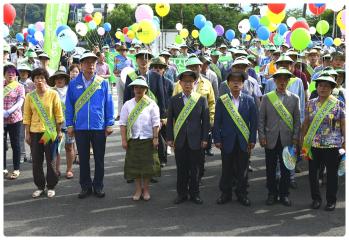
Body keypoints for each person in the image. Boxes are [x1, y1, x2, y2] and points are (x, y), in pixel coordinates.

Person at [65, 52, 115, 199]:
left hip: (98, 126)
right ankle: (85, 186)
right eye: (87, 62)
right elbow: (69, 106)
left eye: (93, 62)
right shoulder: (73, 83)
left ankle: (98, 186)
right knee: (84, 159)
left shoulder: (102, 82)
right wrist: (69, 124)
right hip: (80, 127)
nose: (90, 65)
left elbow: (109, 104)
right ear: (81, 65)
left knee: (99, 158)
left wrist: (109, 123)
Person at [300, 75, 345, 211]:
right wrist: (302, 141)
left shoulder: (338, 104)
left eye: (326, 86)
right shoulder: (310, 103)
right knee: (313, 174)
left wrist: (345, 143)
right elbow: (306, 123)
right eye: (320, 85)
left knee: (331, 175)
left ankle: (331, 200)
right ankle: (316, 199)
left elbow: (344, 125)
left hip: (332, 145)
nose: (322, 88)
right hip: (313, 144)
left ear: (332, 88)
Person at [213, 71, 258, 207]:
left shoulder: (249, 100)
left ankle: (242, 193)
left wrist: (252, 140)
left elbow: (253, 122)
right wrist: (217, 139)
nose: (236, 83)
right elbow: (217, 122)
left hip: (243, 141)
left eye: (239, 81)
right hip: (227, 140)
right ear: (228, 83)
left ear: (243, 84)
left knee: (242, 169)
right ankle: (225, 193)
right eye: (233, 80)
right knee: (226, 168)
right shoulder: (222, 100)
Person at [258, 68, 301, 207]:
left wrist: (295, 138)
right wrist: (262, 136)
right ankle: (271, 193)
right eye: (279, 79)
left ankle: (284, 194)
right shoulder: (267, 97)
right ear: (274, 81)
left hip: (287, 140)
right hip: (270, 139)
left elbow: (297, 121)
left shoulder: (295, 98)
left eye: (285, 79)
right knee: (270, 169)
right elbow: (261, 119)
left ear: (289, 81)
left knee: (286, 169)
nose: (282, 82)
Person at [167, 69, 210, 204]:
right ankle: (181, 194)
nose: (187, 84)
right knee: (181, 169)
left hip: (196, 140)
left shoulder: (201, 100)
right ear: (180, 83)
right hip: (179, 140)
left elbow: (206, 122)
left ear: (194, 83)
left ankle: (195, 194)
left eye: (190, 82)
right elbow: (169, 121)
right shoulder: (174, 100)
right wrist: (169, 138)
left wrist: (204, 139)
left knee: (195, 169)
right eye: (185, 82)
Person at [23, 68, 64, 198]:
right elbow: (27, 116)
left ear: (46, 79)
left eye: (42, 78)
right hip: (35, 133)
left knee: (50, 159)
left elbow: (58, 115)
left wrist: (59, 131)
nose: (39, 80)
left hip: (48, 133)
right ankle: (40, 186)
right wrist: (27, 134)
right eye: (36, 78)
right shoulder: (30, 96)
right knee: (36, 160)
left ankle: (51, 186)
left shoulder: (53, 94)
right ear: (33, 80)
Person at [119, 77, 161, 201]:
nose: (138, 90)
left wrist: (155, 137)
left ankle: (146, 189)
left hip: (148, 139)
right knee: (135, 167)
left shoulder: (151, 103)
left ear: (146, 90)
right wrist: (123, 140)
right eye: (136, 87)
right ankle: (138, 189)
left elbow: (156, 123)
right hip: (133, 139)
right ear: (133, 89)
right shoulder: (128, 104)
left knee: (147, 167)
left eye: (141, 87)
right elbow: (123, 123)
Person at [48, 71, 76, 179]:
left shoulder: (71, 90)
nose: (59, 80)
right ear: (54, 80)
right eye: (57, 78)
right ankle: (57, 169)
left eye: (62, 78)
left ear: (66, 79)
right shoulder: (51, 91)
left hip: (68, 123)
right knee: (56, 149)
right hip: (55, 125)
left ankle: (69, 170)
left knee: (69, 147)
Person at [149, 57, 174, 167]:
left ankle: (162, 159)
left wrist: (166, 117)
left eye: (160, 67)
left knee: (163, 138)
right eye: (155, 67)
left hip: (164, 115)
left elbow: (171, 101)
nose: (157, 69)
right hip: (150, 115)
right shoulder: (147, 82)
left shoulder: (169, 83)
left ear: (164, 69)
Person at [4, 63, 25, 179]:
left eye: (13, 72)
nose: (11, 74)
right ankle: (3, 168)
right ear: (4, 74)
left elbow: (20, 102)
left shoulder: (19, 86)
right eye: (8, 72)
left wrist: (8, 111)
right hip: (2, 120)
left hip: (15, 119)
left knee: (15, 144)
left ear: (16, 75)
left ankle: (16, 169)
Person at [17, 62, 35, 163]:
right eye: (21, 71)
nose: (23, 73)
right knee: (20, 135)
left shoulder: (32, 84)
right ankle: (22, 155)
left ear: (28, 73)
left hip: (31, 113)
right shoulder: (15, 84)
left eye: (25, 71)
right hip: (19, 113)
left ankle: (33, 154)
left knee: (32, 134)